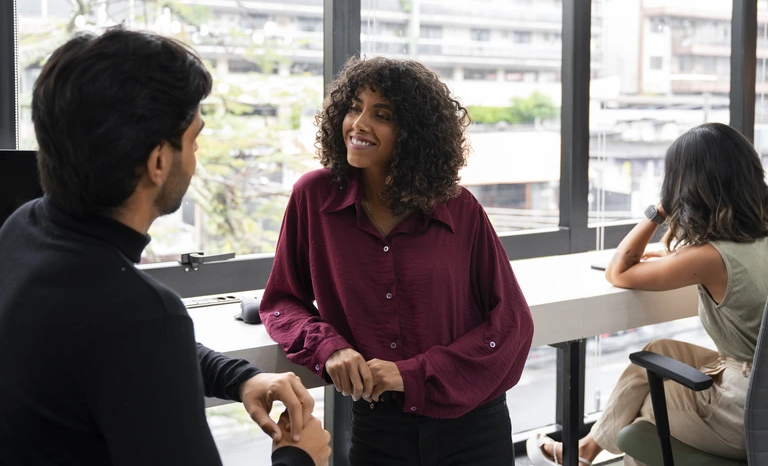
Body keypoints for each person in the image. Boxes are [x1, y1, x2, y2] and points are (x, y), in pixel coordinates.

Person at [0, 27, 330, 466]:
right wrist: (299, 458)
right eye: (193, 140)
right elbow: (132, 334)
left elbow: (117, 349)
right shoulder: (142, 313)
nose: (194, 158)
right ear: (158, 162)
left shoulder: (23, 229)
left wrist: (239, 379)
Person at [260, 56, 535, 465]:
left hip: (474, 423)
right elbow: (281, 301)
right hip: (379, 425)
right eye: (354, 107)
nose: (359, 123)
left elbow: (511, 323)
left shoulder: (460, 209)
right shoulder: (313, 197)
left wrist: (413, 374)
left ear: (414, 134)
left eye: (382, 114)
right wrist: (329, 348)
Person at [527, 122, 766, 466]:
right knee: (659, 351)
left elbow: (618, 271)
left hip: (746, 413)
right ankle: (585, 449)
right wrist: (676, 258)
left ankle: (585, 452)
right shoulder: (749, 239)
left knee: (644, 416)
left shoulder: (707, 258)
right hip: (758, 386)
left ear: (688, 187)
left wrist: (659, 210)